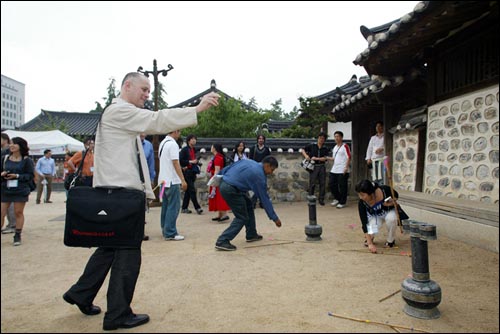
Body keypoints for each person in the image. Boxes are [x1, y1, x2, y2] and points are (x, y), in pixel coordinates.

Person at [62, 72, 219, 331]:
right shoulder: (119, 111)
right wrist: (197, 108)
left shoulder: (116, 113)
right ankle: (118, 314)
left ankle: (81, 292)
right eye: (144, 89)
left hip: (115, 192)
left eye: (149, 90)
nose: (147, 94)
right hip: (121, 193)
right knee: (128, 252)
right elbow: (156, 120)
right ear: (127, 86)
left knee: (110, 247)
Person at [215, 156, 282, 251]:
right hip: (231, 189)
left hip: (226, 183)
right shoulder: (259, 175)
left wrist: (218, 176)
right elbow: (264, 198)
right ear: (267, 165)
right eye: (272, 169)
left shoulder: (250, 162)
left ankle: (251, 234)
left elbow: (230, 167)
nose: (271, 172)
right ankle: (222, 240)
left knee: (248, 205)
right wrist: (274, 218)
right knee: (241, 217)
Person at [1, 137, 35, 246]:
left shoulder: (27, 160)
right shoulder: (4, 158)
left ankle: (17, 234)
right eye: (11, 143)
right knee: (1, 212)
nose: (12, 146)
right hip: (5, 188)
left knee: (18, 212)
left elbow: (30, 175)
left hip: (20, 189)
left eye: (14, 144)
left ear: (20, 146)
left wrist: (17, 176)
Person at [355, 179, 400, 254]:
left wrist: (390, 203)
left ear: (370, 193)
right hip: (375, 216)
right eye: (359, 194)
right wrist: (370, 244)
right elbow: (364, 222)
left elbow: (396, 196)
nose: (360, 197)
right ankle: (371, 238)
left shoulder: (385, 190)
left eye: (362, 195)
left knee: (391, 219)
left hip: (388, 212)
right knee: (371, 229)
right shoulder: (362, 203)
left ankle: (390, 241)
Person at [158, 129, 187, 241]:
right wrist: (183, 180)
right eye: (179, 132)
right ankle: (170, 232)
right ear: (174, 131)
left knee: (165, 205)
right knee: (173, 206)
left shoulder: (163, 143)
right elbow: (175, 163)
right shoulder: (173, 144)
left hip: (163, 181)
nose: (179, 134)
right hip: (172, 180)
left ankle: (164, 228)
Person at [301, 132, 329, 206]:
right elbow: (302, 150)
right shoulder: (312, 145)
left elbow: (326, 158)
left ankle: (321, 199)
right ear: (318, 138)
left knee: (322, 183)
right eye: (320, 138)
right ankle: (311, 198)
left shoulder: (325, 148)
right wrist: (306, 156)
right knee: (312, 183)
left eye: (323, 138)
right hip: (313, 166)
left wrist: (317, 158)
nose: (321, 140)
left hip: (322, 166)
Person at [179, 134, 203, 215]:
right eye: (192, 139)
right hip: (187, 171)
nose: (194, 140)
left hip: (193, 171)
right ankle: (197, 207)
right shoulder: (185, 149)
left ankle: (184, 208)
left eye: (195, 139)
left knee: (189, 191)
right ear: (188, 140)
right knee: (192, 190)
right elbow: (180, 160)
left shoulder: (194, 149)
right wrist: (190, 162)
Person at [327, 131, 351, 209]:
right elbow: (334, 158)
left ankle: (342, 202)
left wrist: (346, 167)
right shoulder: (335, 147)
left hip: (342, 169)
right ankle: (338, 198)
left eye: (338, 136)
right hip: (334, 169)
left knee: (342, 186)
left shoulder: (345, 146)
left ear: (341, 137)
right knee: (331, 184)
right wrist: (327, 158)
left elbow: (349, 157)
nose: (336, 138)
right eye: (335, 136)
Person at [208, 143, 230, 222]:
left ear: (214, 148)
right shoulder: (219, 157)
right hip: (220, 178)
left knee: (219, 196)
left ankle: (224, 214)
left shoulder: (217, 157)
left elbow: (217, 170)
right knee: (218, 196)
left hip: (217, 178)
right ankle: (220, 214)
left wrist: (214, 180)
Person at [248, 134, 271, 208]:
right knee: (254, 186)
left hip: (264, 170)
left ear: (264, 140)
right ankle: (253, 202)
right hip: (255, 169)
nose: (261, 140)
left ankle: (262, 202)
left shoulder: (267, 149)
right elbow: (250, 159)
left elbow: (269, 159)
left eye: (262, 139)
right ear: (257, 140)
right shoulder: (253, 148)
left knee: (263, 186)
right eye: (259, 138)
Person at [140, 132, 155, 241]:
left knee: (143, 205)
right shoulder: (131, 143)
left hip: (144, 178)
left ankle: (141, 231)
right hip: (132, 177)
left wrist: (152, 178)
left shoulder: (148, 145)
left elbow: (151, 163)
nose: (142, 133)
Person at [1, 132, 16, 234]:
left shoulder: (7, 152)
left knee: (8, 204)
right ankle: (11, 224)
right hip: (5, 180)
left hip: (8, 180)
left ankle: (13, 224)